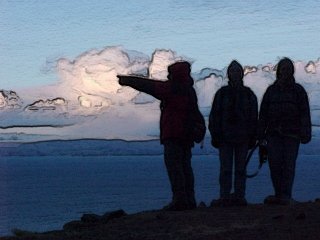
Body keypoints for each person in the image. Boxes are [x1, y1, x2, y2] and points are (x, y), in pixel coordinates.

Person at [117, 61, 202, 211]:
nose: (168, 77)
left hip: (174, 135)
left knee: (175, 168)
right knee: (185, 168)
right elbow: (196, 112)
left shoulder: (172, 89)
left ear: (175, 75)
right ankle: (189, 199)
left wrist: (128, 81)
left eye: (170, 74)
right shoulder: (189, 90)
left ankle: (180, 200)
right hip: (186, 136)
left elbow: (150, 86)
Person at [258, 57, 312, 205]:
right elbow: (263, 114)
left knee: (288, 166)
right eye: (283, 69)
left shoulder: (298, 91)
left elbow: (304, 113)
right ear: (279, 71)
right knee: (274, 165)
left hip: (292, 135)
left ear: (292, 71)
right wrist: (260, 134)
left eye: (288, 69)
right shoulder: (271, 91)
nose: (285, 71)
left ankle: (286, 195)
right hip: (273, 135)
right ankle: (278, 194)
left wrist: (305, 132)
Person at [209, 60, 258, 206]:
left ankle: (239, 196)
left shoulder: (248, 94)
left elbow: (254, 117)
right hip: (225, 138)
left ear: (241, 74)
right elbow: (214, 116)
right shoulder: (221, 94)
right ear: (228, 74)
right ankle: (224, 196)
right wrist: (215, 135)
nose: (235, 74)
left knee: (240, 169)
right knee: (225, 169)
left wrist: (253, 137)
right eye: (232, 71)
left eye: (237, 71)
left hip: (243, 138)